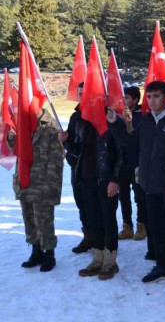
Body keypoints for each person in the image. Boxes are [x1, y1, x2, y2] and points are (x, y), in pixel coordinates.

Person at [109, 81, 165, 288]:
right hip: (150, 185)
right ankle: (162, 265)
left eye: (156, 96)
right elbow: (131, 143)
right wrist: (116, 124)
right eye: (149, 96)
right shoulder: (146, 120)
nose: (152, 101)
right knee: (156, 228)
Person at [7, 105, 65, 273]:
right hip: (25, 179)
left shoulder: (51, 127)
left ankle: (49, 254)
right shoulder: (23, 124)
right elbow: (18, 151)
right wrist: (12, 139)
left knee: (44, 220)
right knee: (29, 218)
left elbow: (57, 159)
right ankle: (36, 251)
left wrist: (51, 186)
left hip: (43, 181)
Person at [77, 108, 125, 280]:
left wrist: (115, 179)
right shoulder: (82, 120)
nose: (84, 99)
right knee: (93, 219)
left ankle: (110, 262)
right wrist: (66, 141)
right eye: (81, 95)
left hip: (106, 179)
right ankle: (97, 260)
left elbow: (122, 151)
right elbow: (78, 150)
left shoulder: (111, 119)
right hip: (87, 179)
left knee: (108, 220)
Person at [117, 87, 149, 244]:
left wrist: (128, 123)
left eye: (127, 97)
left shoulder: (142, 115)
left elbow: (136, 137)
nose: (124, 100)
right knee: (123, 196)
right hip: (122, 162)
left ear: (135, 100)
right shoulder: (118, 113)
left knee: (139, 196)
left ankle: (142, 225)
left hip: (137, 161)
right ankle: (127, 225)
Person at [66, 84, 94, 254]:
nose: (82, 96)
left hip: (94, 170)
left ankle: (104, 240)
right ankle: (88, 237)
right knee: (82, 204)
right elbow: (72, 143)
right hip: (76, 168)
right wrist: (65, 140)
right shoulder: (75, 117)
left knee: (96, 207)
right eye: (80, 93)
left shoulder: (100, 116)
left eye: (86, 93)